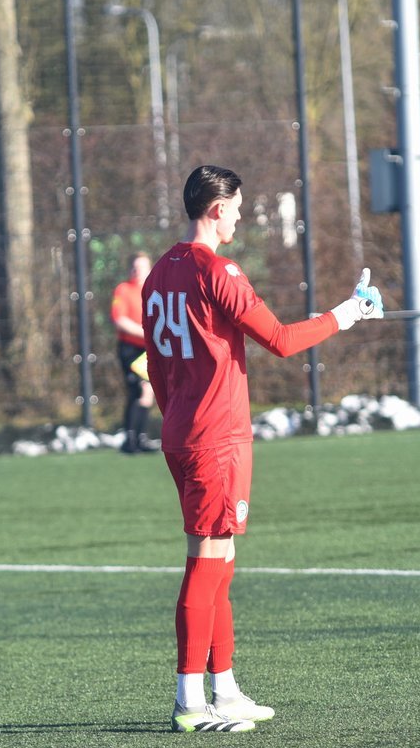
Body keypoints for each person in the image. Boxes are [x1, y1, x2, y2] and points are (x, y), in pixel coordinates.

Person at [142, 165, 383, 733]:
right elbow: (279, 339)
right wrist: (348, 313)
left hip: (184, 433)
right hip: (215, 438)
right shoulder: (217, 270)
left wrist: (179, 416)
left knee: (220, 563)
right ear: (217, 208)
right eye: (238, 207)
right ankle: (189, 701)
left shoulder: (158, 273)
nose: (241, 217)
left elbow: (154, 366)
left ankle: (224, 690)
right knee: (205, 563)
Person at [111, 252, 156, 453]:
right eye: (135, 267)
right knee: (139, 389)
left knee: (147, 392)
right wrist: (146, 333)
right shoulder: (123, 290)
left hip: (148, 349)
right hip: (130, 349)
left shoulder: (154, 290)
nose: (138, 271)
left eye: (142, 267)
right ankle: (129, 439)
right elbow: (119, 319)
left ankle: (139, 438)